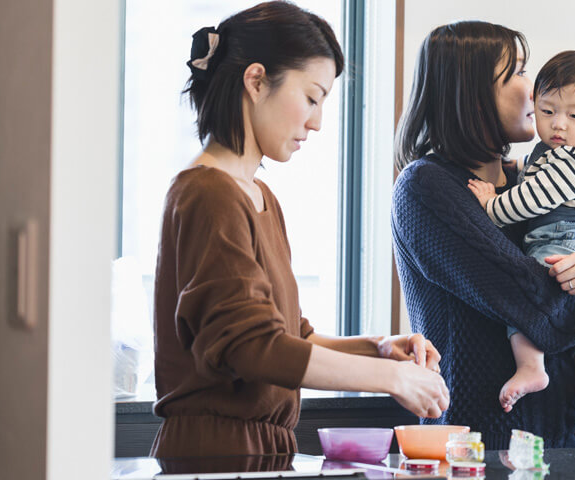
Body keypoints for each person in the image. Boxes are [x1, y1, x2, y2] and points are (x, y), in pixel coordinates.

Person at [152, 1, 449, 457]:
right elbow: (253, 346)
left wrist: (379, 349)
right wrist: (392, 379)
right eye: (312, 97)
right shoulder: (207, 193)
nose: (317, 121)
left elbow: (289, 336)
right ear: (255, 81)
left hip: (262, 449)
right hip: (217, 451)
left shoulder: (258, 196)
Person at [393, 21, 575, 449]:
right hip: (487, 446)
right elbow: (541, 304)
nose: (533, 90)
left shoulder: (533, 182)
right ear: (470, 94)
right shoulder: (428, 188)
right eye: (517, 72)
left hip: (574, 439)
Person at [465, 50, 575, 438]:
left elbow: (526, 202)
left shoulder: (574, 160)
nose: (558, 125)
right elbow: (535, 176)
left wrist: (491, 204)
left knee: (528, 298)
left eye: (574, 115)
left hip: (568, 238)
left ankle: (532, 366)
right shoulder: (558, 153)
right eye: (547, 111)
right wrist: (515, 170)